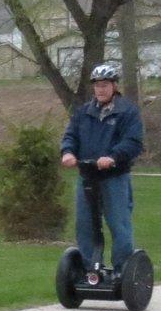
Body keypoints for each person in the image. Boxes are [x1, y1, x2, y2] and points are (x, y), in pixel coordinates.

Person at [60, 62, 146, 269]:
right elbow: (71, 135)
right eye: (97, 85)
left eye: (105, 84)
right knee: (85, 225)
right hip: (87, 176)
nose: (100, 89)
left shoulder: (127, 112)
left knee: (119, 224)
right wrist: (68, 152)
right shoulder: (84, 112)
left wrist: (113, 157)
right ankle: (90, 269)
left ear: (114, 86)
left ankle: (122, 269)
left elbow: (133, 142)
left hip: (114, 177)